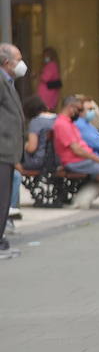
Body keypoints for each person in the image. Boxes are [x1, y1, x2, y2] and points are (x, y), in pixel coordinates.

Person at [0, 44, 25, 255]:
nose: (22, 63)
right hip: (2, 149)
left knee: (4, 196)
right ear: (7, 62)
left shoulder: (8, 81)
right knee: (1, 197)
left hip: (8, 151)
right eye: (18, 59)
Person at [37, 47, 61, 111]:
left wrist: (39, 74)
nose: (44, 57)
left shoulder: (51, 65)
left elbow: (45, 78)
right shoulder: (53, 65)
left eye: (46, 55)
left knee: (46, 109)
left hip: (47, 93)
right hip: (49, 92)